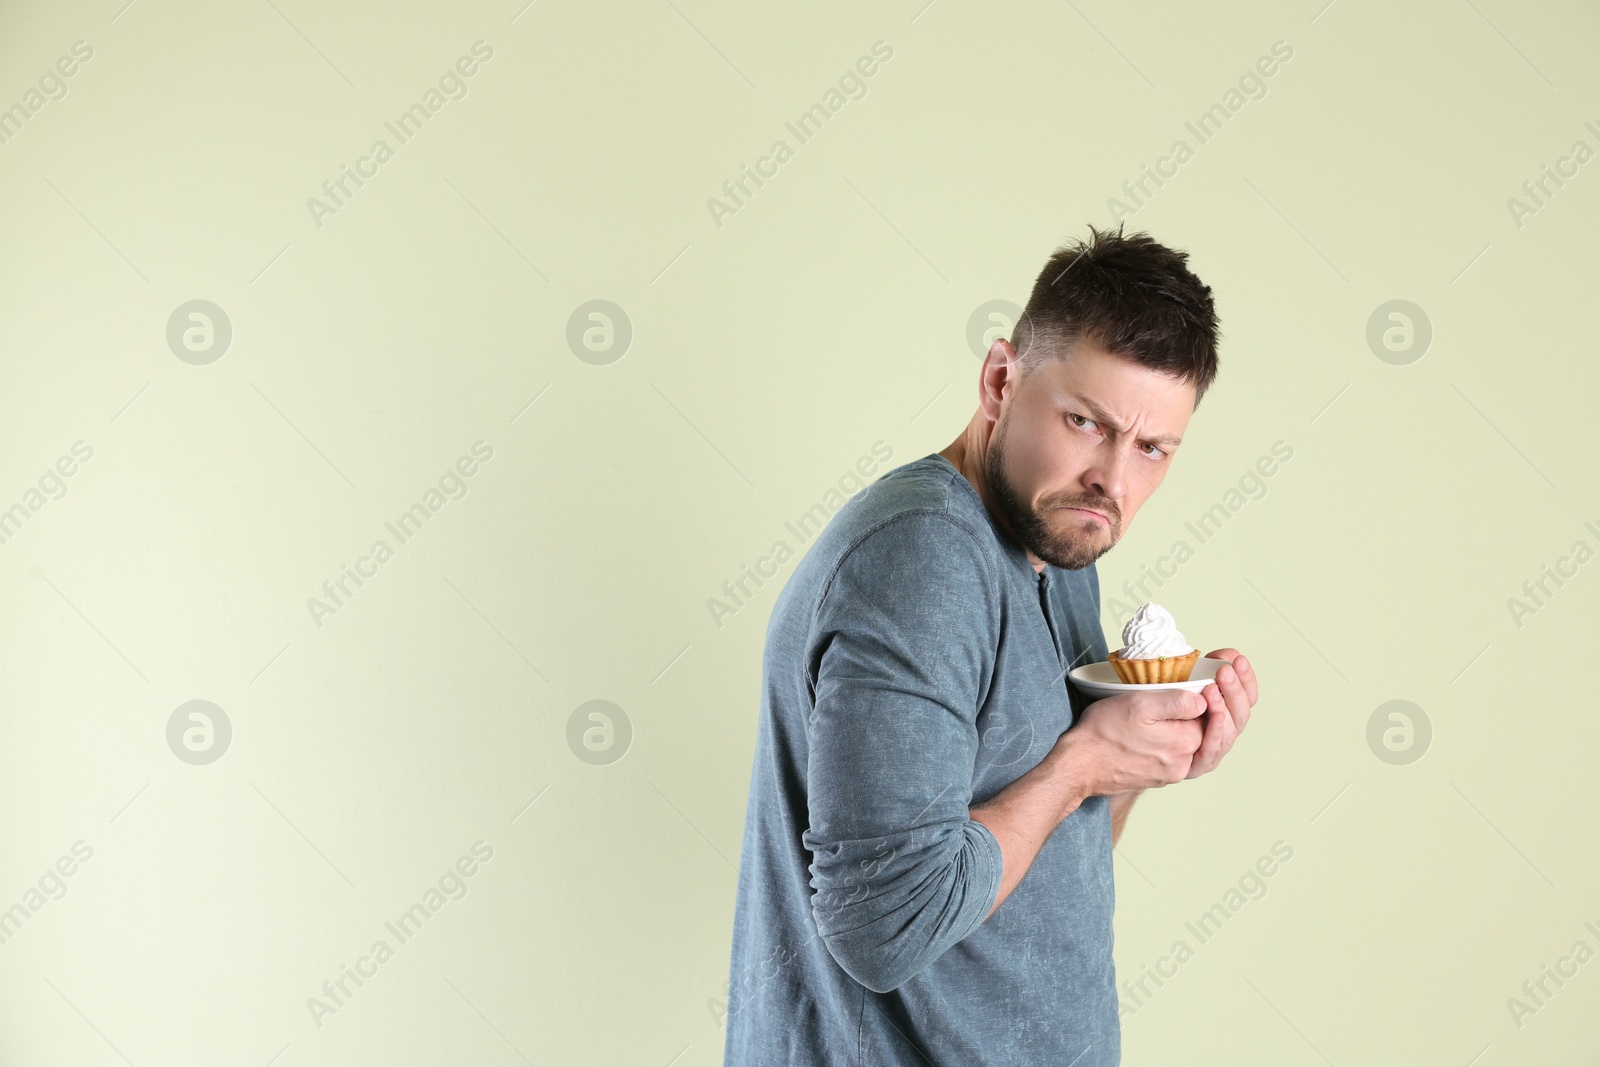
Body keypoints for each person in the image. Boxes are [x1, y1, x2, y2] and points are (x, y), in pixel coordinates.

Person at [721, 223, 1260, 1066]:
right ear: (1002, 379)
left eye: (1151, 448)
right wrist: (1083, 762)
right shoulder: (920, 561)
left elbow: (1038, 854)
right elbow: (887, 928)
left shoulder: (1057, 533)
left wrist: (1140, 757)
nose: (1114, 482)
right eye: (1086, 421)